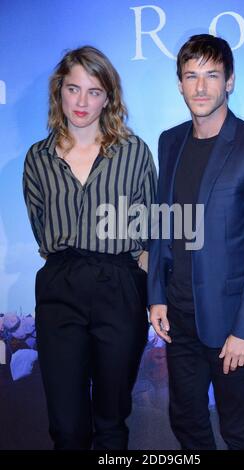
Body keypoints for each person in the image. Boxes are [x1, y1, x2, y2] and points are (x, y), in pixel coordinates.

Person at [148, 34, 244, 450]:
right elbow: (163, 224)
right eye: (191, 76)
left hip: (230, 321)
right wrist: (156, 294)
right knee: (186, 422)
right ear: (179, 84)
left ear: (229, 81)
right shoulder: (169, 141)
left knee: (238, 429)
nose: (201, 87)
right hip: (178, 316)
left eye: (212, 75)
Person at [23, 46, 157, 450]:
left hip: (120, 284)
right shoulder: (37, 158)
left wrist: (148, 295)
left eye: (94, 91)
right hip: (60, 287)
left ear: (109, 97)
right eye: (73, 89)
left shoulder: (134, 152)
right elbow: (41, 230)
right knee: (66, 427)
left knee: (112, 421)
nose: (82, 102)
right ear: (58, 92)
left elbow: (149, 230)